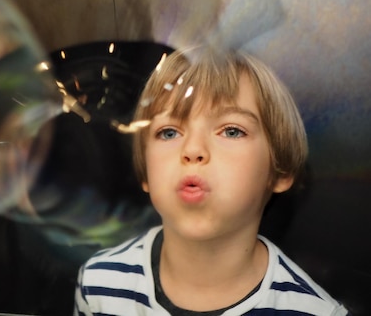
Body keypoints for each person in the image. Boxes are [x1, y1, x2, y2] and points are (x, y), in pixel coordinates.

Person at [73, 47, 348, 315]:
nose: (192, 150)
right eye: (169, 133)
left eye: (231, 131)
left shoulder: (315, 311)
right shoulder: (97, 286)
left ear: (280, 171)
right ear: (146, 172)